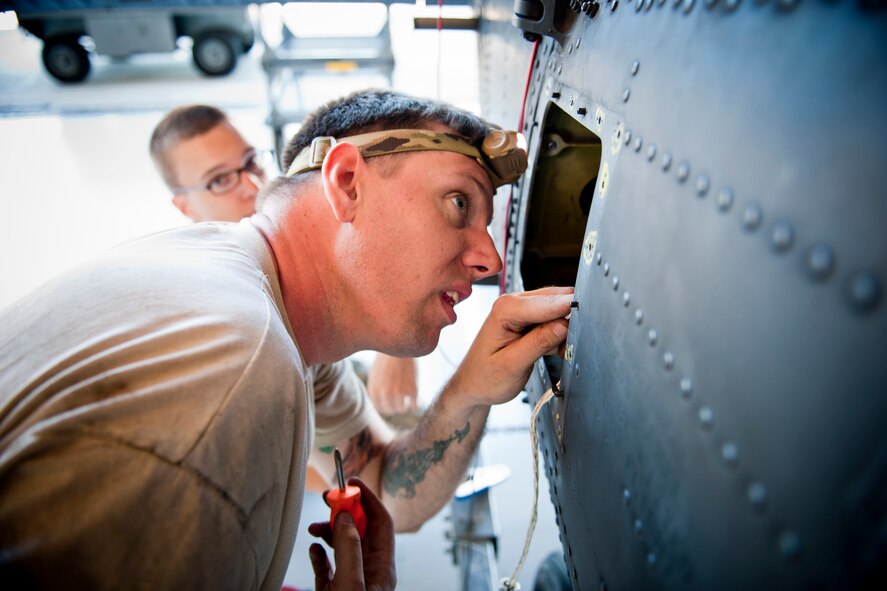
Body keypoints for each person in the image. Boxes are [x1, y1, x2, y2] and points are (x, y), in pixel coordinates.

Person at [0, 89, 573, 589]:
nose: (489, 258)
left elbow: (386, 491)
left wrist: (468, 391)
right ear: (346, 183)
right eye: (459, 203)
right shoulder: (235, 370)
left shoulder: (279, 328)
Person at [150, 104, 420, 417]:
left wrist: (397, 348)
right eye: (220, 180)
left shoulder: (295, 222)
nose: (253, 186)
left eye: (251, 162)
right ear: (185, 207)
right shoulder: (205, 310)